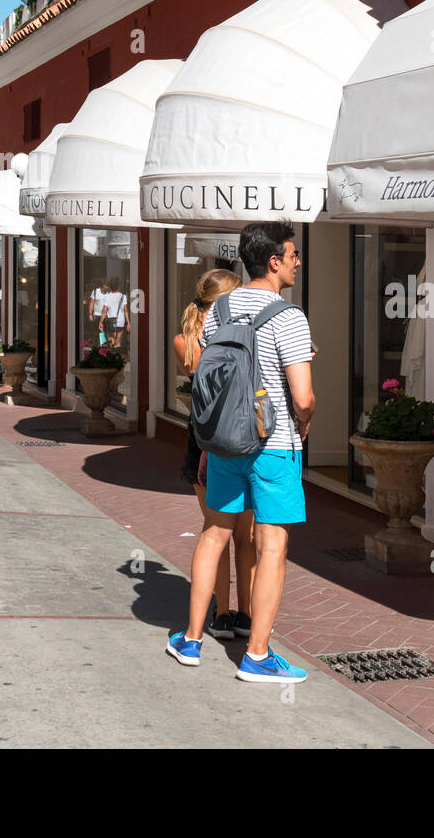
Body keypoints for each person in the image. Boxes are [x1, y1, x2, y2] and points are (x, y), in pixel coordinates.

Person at [166, 221, 314, 681]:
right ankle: (257, 655)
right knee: (272, 544)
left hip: (224, 442)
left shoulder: (220, 310)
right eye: (292, 255)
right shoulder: (289, 317)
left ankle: (190, 640)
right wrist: (304, 425)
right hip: (274, 446)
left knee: (215, 534)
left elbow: (208, 381)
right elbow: (303, 397)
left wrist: (209, 444)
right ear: (273, 262)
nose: (297, 262)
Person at [165, 268, 258, 659]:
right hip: (237, 434)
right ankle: (245, 616)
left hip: (203, 435)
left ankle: (222, 616)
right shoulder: (235, 336)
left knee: (216, 528)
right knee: (244, 534)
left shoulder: (185, 340)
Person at [101, 278, 128, 350]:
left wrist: (100, 322)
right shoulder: (123, 296)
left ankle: (112, 350)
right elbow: (125, 310)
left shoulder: (107, 296)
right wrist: (128, 322)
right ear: (118, 286)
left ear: (110, 286)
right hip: (121, 321)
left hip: (111, 321)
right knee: (118, 340)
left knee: (112, 338)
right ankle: (117, 354)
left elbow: (104, 310)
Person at [86, 279, 109, 345]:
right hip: (96, 315)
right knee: (96, 333)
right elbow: (91, 303)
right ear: (103, 285)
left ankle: (102, 346)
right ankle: (98, 346)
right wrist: (90, 314)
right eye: (107, 286)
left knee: (103, 332)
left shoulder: (109, 293)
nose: (108, 288)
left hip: (105, 316)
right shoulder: (95, 292)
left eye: (108, 286)